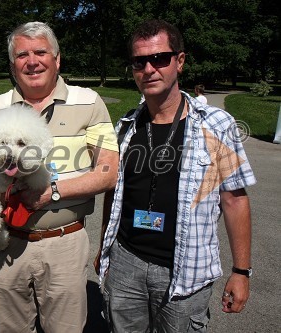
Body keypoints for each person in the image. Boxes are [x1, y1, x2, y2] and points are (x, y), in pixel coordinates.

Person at [0, 21, 119, 332]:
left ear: (57, 58)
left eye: (41, 51)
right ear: (13, 64)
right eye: (22, 54)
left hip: (64, 241)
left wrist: (52, 192)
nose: (32, 61)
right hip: (7, 245)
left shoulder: (89, 102)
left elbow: (109, 171)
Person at [95, 19, 256, 332]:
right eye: (139, 61)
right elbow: (115, 193)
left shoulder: (216, 124)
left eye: (160, 58)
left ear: (179, 62)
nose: (149, 69)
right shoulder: (127, 125)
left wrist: (241, 271)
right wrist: (104, 246)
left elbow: (235, 201)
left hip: (186, 269)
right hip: (127, 261)